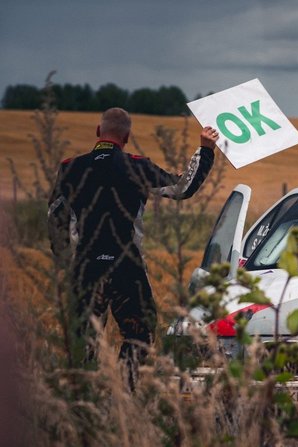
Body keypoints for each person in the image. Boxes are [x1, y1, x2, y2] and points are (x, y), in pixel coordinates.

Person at [47, 107, 218, 389]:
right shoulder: (137, 166)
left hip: (86, 268)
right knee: (139, 335)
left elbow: (55, 218)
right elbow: (181, 188)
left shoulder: (69, 168)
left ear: (98, 132)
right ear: (126, 137)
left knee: (83, 339)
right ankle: (126, 394)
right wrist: (205, 150)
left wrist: (67, 262)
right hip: (127, 265)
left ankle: (83, 401)